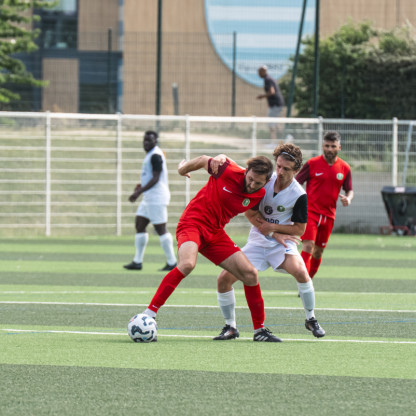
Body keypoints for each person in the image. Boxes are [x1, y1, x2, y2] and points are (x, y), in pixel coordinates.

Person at [141, 153, 283, 342]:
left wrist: (275, 232)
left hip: (215, 233)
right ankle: (149, 314)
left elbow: (254, 215)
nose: (252, 185)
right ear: (246, 171)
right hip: (192, 223)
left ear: (265, 182)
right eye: (250, 179)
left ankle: (258, 331)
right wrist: (182, 170)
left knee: (250, 274)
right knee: (187, 264)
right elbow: (202, 160)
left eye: (258, 183)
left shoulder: (260, 194)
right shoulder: (227, 170)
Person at [214, 143, 325, 341]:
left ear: (296, 170)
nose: (280, 172)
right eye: (278, 166)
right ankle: (230, 327)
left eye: (286, 169)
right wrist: (270, 231)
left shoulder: (299, 194)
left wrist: (273, 228)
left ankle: (311, 318)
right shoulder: (264, 180)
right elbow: (250, 212)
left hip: (281, 245)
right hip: (257, 241)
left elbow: (299, 229)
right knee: (223, 280)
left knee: (302, 272)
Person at [296, 131, 354, 278]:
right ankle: (303, 282)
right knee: (308, 245)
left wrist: (348, 198)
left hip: (329, 216)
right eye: (327, 146)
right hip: (310, 213)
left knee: (318, 252)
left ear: (339, 147)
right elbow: (296, 183)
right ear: (323, 146)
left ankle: (308, 280)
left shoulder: (345, 168)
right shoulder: (312, 164)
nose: (329, 149)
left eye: (333, 146)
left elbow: (349, 190)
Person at [124, 130, 177, 272]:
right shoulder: (151, 154)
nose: (146, 143)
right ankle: (137, 261)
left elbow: (156, 178)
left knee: (160, 228)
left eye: (149, 140)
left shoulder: (155, 155)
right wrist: (141, 186)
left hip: (156, 197)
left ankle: (172, 262)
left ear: (156, 141)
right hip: (149, 197)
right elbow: (150, 176)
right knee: (140, 224)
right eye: (145, 140)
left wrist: (139, 192)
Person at [257, 65, 285, 142]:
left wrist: (262, 96)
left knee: (271, 123)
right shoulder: (267, 79)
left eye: (259, 72)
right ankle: (284, 137)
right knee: (276, 123)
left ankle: (274, 141)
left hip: (275, 104)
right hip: (275, 104)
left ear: (263, 71)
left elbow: (272, 92)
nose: (258, 74)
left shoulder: (268, 79)